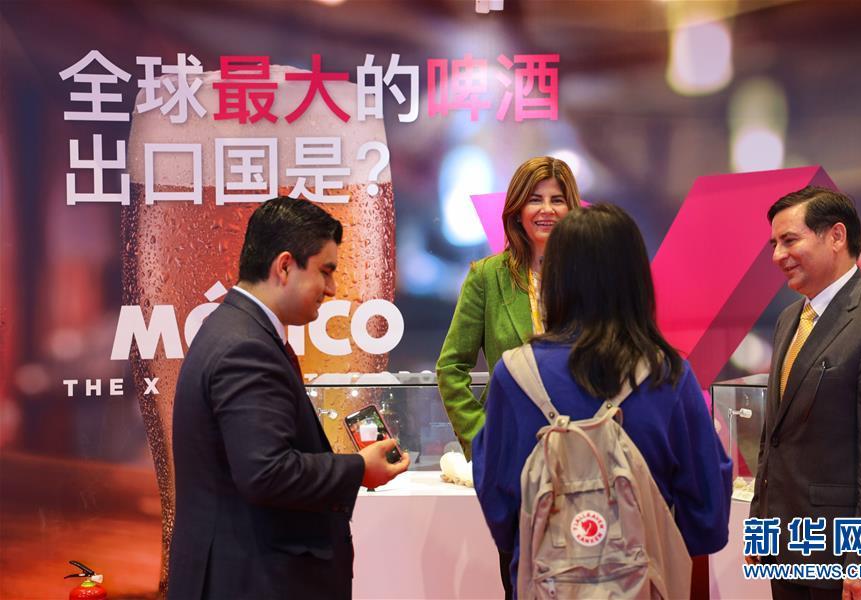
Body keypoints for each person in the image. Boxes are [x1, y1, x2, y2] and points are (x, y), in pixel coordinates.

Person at [472, 204, 733, 598]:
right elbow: (707, 511)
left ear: (554, 277)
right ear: (635, 278)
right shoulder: (666, 373)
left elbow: (499, 503)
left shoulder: (514, 375)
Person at [167, 196, 409, 600]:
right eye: (325, 271)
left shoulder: (237, 329)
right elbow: (266, 472)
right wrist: (357, 469)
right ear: (284, 266)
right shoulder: (246, 346)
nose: (332, 288)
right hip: (249, 581)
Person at [436, 156, 581, 598]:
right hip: (514, 462)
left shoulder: (589, 277)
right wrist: (483, 445)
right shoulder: (488, 277)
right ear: (517, 209)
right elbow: (451, 367)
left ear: (572, 208)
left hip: (584, 455)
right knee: (520, 582)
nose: (547, 210)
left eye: (557, 199)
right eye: (535, 199)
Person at [748, 187, 861, 600]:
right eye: (774, 244)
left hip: (844, 561)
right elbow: (774, 439)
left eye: (789, 240)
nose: (777, 255)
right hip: (787, 548)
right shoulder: (788, 319)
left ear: (836, 236)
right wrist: (761, 526)